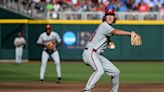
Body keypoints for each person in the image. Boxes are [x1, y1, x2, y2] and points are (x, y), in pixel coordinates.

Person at [82, 9, 135, 92]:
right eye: (108, 15)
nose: (110, 17)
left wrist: (109, 42)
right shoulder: (104, 25)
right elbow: (115, 31)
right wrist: (129, 34)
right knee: (99, 71)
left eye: (112, 15)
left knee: (115, 72)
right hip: (90, 53)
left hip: (97, 54)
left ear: (114, 17)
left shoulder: (106, 27)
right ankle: (87, 90)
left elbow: (105, 37)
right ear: (105, 17)